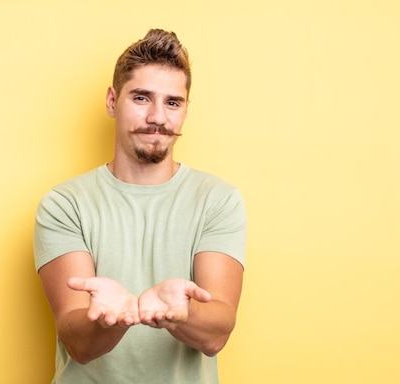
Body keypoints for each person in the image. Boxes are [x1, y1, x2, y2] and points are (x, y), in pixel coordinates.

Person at [34, 28, 247, 384]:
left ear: (185, 110)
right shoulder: (64, 204)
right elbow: (77, 342)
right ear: (112, 101)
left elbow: (217, 333)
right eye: (142, 98)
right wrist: (110, 318)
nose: (158, 118)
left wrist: (177, 311)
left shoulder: (218, 199)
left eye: (172, 102)